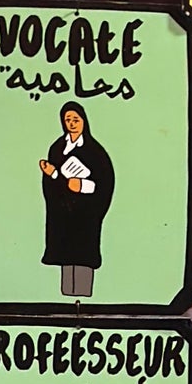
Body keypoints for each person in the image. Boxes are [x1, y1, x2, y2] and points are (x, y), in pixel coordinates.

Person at [40, 102, 115, 300]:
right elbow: (51, 184)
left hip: (85, 214)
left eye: (76, 119)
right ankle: (67, 296)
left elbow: (105, 182)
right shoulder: (57, 148)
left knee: (83, 254)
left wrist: (82, 186)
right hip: (63, 213)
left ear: (83, 121)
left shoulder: (94, 151)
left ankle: (82, 295)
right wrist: (53, 174)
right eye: (68, 120)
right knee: (66, 254)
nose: (72, 124)